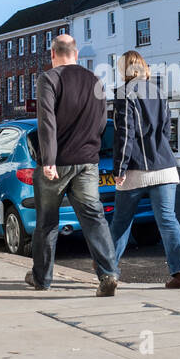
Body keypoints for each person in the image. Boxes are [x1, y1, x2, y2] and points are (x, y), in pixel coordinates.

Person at [30, 33, 119, 296]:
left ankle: (42, 279)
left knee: (47, 222)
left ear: (52, 55)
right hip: (88, 162)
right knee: (94, 218)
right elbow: (103, 122)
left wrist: (49, 160)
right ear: (76, 54)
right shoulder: (94, 80)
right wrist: (90, 146)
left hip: (56, 164)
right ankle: (108, 274)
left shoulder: (48, 78)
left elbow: (46, 121)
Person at [109, 51, 180, 287]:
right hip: (165, 167)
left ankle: (107, 271)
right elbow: (166, 132)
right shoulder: (159, 93)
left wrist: (119, 168)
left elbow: (124, 135)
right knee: (168, 220)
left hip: (137, 170)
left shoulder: (123, 94)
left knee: (121, 222)